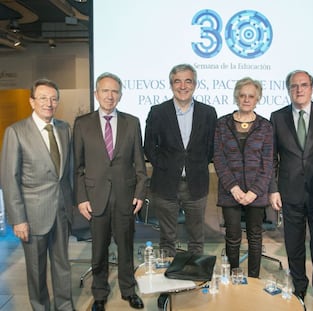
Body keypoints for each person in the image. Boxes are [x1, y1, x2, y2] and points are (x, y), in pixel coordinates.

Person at [73, 72, 147, 311]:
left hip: (126, 197)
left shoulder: (132, 122)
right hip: (95, 198)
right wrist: (82, 198)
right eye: (105, 91)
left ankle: (128, 290)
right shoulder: (82, 123)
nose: (110, 95)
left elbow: (140, 163)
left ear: (120, 95)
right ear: (96, 94)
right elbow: (78, 167)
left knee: (126, 247)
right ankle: (100, 294)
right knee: (98, 250)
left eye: (114, 91)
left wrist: (140, 192)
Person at [268, 70, 313, 310]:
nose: (299, 90)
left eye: (304, 85)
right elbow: (272, 158)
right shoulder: (277, 117)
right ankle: (299, 287)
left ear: (312, 87)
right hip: (290, 193)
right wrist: (273, 188)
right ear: (288, 90)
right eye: (294, 86)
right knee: (294, 245)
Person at [0, 79, 74, 310]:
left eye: (53, 98)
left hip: (61, 212)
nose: (49, 103)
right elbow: (9, 179)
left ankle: (64, 306)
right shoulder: (16, 132)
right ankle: (40, 307)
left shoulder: (63, 129)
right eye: (43, 98)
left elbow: (66, 172)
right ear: (32, 101)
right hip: (32, 217)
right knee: (36, 269)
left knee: (62, 266)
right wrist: (18, 219)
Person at [144, 64, 217, 256]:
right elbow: (149, 147)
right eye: (178, 81)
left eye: (188, 81)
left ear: (195, 84)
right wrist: (166, 167)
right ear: (171, 85)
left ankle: (195, 277)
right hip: (165, 184)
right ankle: (168, 280)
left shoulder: (208, 113)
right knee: (167, 238)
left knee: (196, 238)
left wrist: (197, 165)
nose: (183, 86)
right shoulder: (158, 112)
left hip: (197, 183)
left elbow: (212, 147)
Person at [213, 77, 273, 277]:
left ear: (257, 99)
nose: (246, 99)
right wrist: (234, 188)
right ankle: (233, 277)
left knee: (255, 238)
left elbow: (268, 162)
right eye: (242, 95)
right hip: (231, 192)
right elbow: (219, 158)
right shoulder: (222, 124)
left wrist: (254, 192)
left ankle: (253, 280)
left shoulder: (265, 126)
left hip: (256, 194)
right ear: (236, 97)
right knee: (232, 237)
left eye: (251, 96)